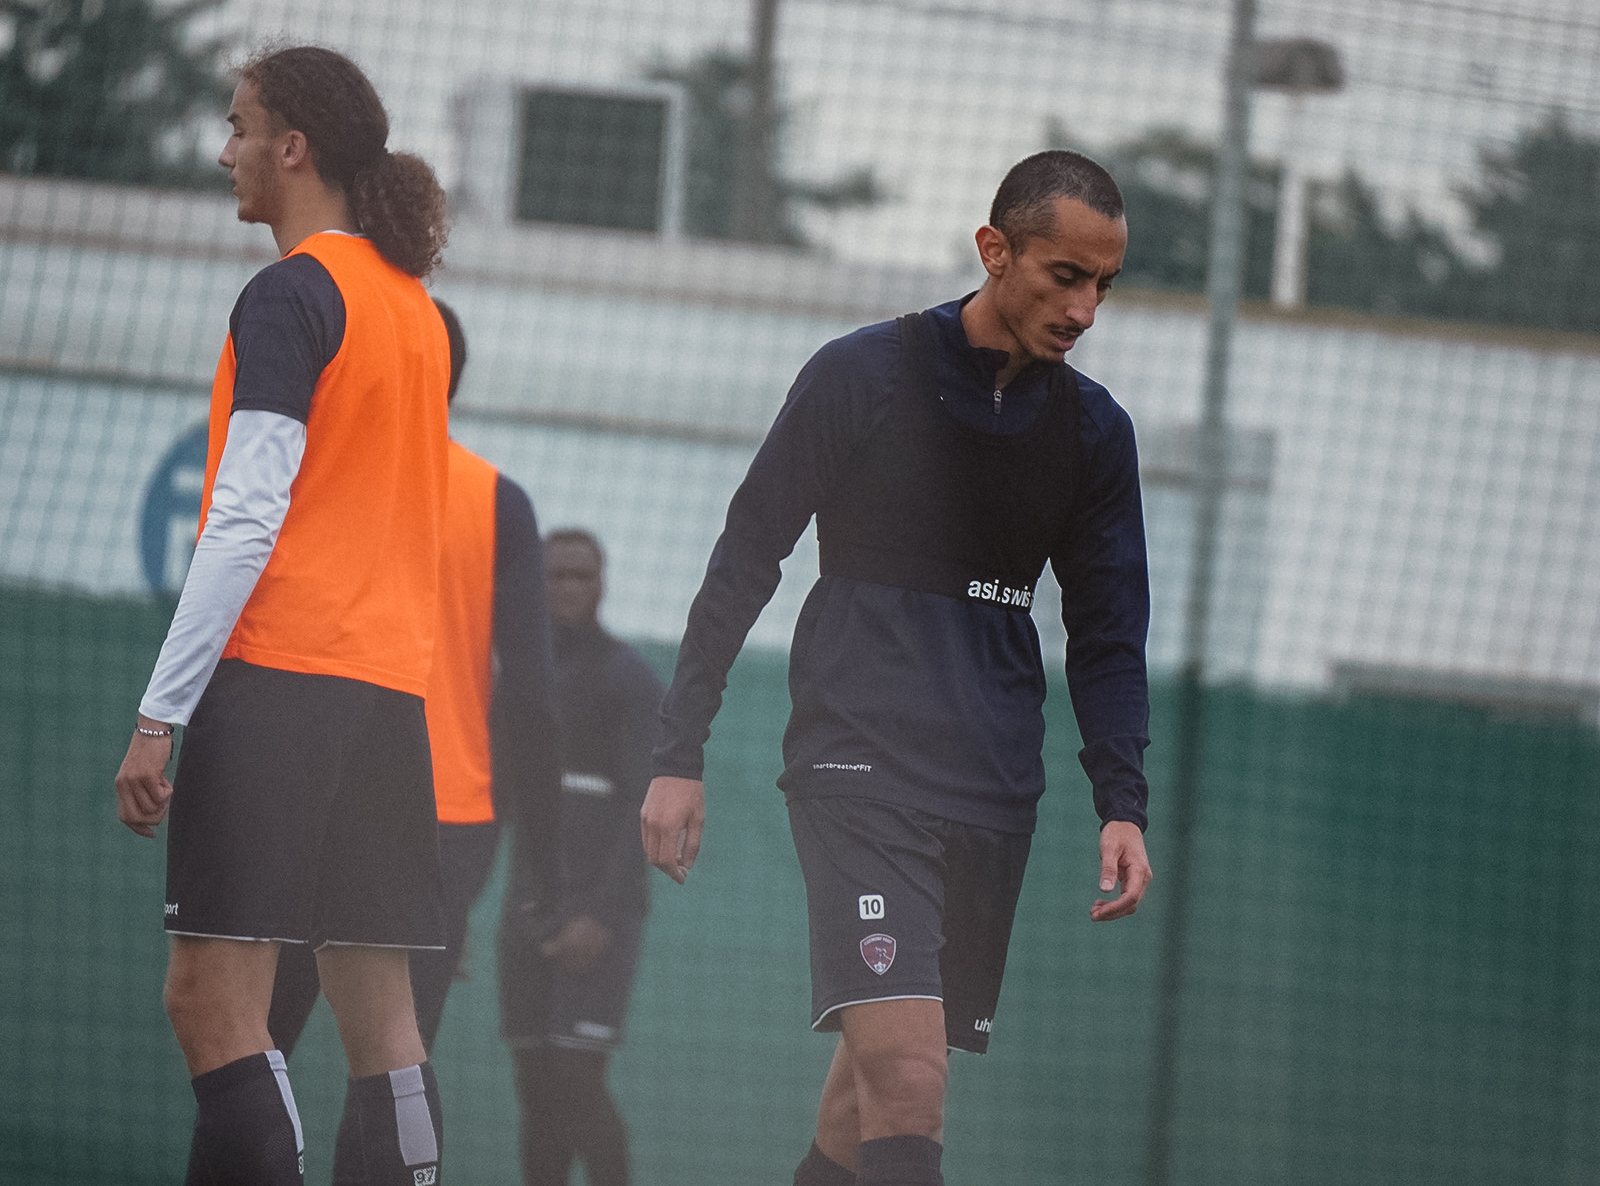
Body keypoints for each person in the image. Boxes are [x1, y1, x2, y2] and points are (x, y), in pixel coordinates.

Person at [640, 149, 1155, 1186]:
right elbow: (747, 555)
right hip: (857, 770)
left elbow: (1107, 634)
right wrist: (677, 750)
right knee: (913, 1082)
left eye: (1103, 284)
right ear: (993, 250)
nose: (1085, 309)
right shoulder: (861, 373)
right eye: (1065, 276)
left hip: (993, 789)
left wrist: (1122, 800)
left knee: (863, 1103)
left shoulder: (1095, 432)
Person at [113, 46, 453, 1185]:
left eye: (239, 125)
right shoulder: (414, 310)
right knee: (383, 1027)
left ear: (292, 146)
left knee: (214, 1004)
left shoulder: (292, 292)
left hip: (279, 686)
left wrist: (161, 713)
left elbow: (247, 519)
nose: (226, 150)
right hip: (390, 697)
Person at [265, 300, 562, 1061]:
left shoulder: (309, 476)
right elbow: (531, 695)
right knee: (400, 1048)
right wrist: (547, 865)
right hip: (446, 816)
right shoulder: (498, 501)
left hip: (314, 793)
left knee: (257, 1041)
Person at [501, 529, 662, 1186]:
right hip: (527, 911)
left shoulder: (629, 677)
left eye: (582, 576)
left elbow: (643, 807)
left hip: (600, 915)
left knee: (575, 1079)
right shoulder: (516, 677)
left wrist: (598, 913)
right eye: (555, 575)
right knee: (536, 1090)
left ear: (601, 584)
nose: (568, 587)